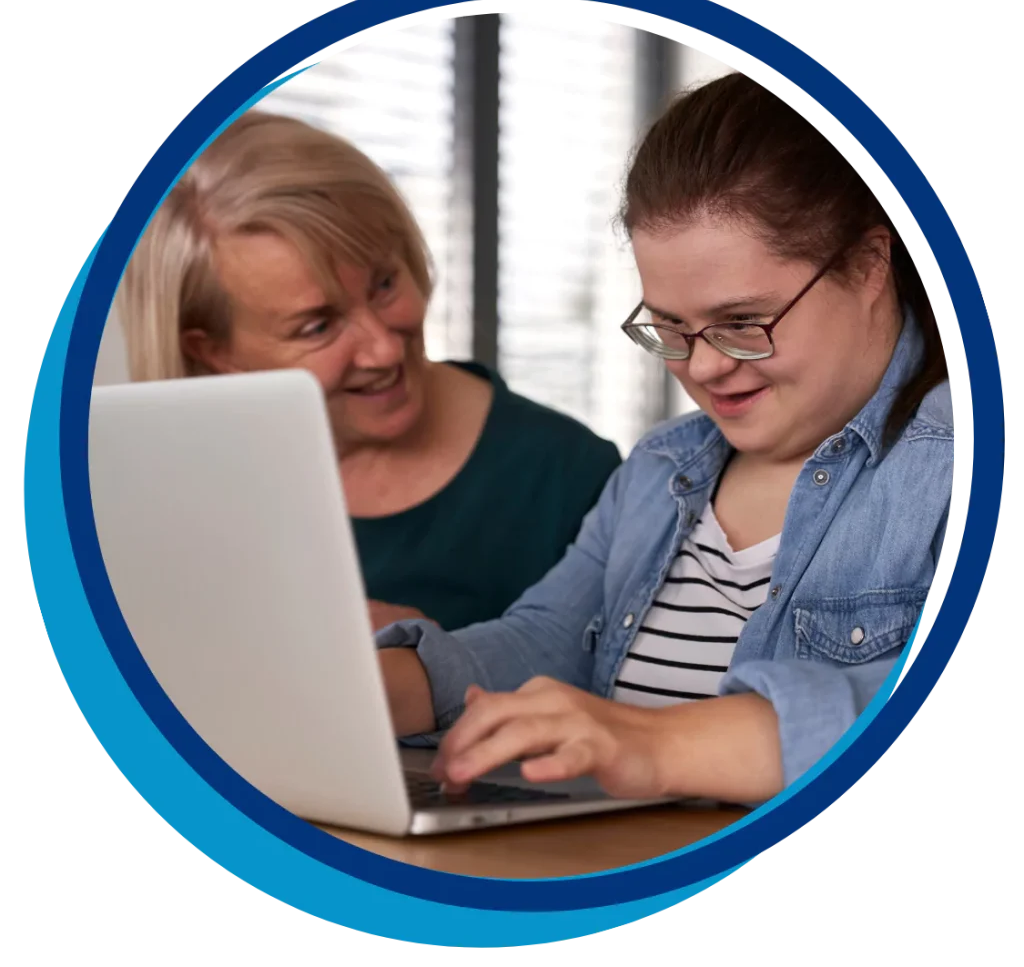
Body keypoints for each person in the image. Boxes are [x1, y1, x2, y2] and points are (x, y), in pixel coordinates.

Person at [373, 71, 954, 807]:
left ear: (870, 266)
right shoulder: (660, 466)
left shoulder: (956, 467)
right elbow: (551, 638)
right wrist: (387, 688)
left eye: (743, 323)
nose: (704, 367)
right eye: (670, 328)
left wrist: (655, 742)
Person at [115, 111, 622, 634]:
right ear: (213, 352)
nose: (383, 350)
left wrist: (437, 666)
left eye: (383, 284)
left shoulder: (574, 477)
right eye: (317, 326)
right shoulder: (171, 496)